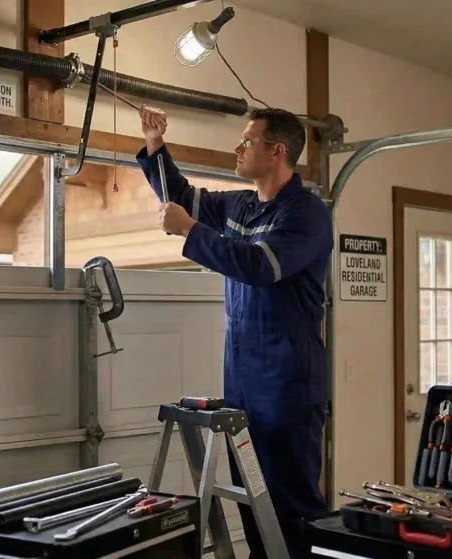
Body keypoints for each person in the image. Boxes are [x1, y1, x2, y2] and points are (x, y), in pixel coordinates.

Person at [135, 105, 333, 558]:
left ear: (277, 150)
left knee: (292, 505)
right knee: (253, 499)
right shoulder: (241, 205)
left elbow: (258, 266)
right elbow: (182, 198)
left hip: (288, 383)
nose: (238, 148)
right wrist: (154, 144)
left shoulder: (307, 216)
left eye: (247, 141)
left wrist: (188, 233)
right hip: (243, 376)